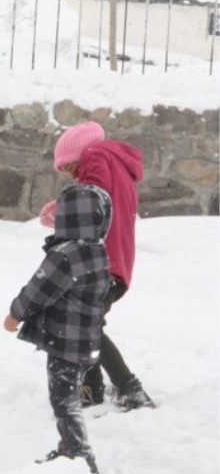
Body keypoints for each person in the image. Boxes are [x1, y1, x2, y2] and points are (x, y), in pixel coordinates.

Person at [39, 121, 154, 411]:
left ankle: (129, 389)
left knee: (84, 325)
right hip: (114, 264)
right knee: (87, 325)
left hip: (102, 266)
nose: (71, 174)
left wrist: (60, 210)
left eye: (69, 167)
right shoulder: (114, 163)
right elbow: (97, 201)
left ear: (80, 155)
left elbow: (92, 199)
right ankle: (93, 390)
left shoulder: (96, 156)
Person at [4, 184, 115, 474]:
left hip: (65, 342)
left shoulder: (65, 255)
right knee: (69, 397)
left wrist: (16, 313)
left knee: (63, 401)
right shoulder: (98, 251)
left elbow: (37, 291)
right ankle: (71, 448)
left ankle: (80, 455)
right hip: (86, 341)